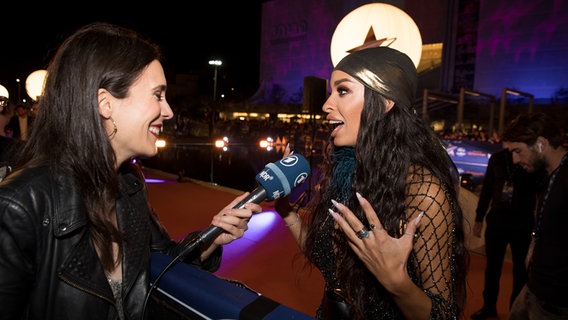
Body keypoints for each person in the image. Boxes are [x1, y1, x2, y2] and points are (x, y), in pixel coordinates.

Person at [0, 22, 262, 320]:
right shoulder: (18, 206)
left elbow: (161, 263)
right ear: (105, 103)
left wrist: (213, 236)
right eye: (158, 95)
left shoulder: (128, 185)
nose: (169, 111)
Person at [275, 46, 469, 319]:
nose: (326, 105)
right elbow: (329, 263)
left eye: (342, 90)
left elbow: (444, 314)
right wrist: (286, 210)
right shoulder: (348, 173)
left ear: (385, 102)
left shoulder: (424, 193)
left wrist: (397, 284)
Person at [501, 112, 568, 319]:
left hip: (554, 301)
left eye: (518, 151)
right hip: (534, 288)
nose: (515, 159)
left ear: (540, 143)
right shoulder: (551, 175)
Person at [470, 148, 541, 320]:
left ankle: (515, 311)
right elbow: (487, 188)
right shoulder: (497, 158)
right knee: (492, 268)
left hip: (522, 222)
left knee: (520, 272)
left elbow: (541, 193)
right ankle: (488, 307)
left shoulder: (531, 159)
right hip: (497, 220)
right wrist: (479, 219)